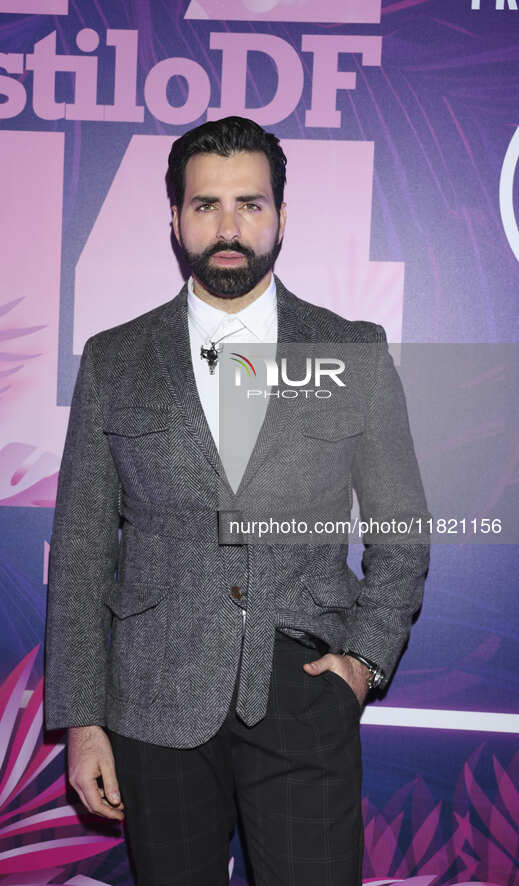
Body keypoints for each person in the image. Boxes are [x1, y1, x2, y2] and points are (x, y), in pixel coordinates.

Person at [44, 116, 430, 886]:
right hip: (153, 700)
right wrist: (83, 722)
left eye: (249, 205)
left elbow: (400, 533)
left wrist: (361, 663)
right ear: (175, 220)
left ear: (281, 217)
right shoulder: (115, 359)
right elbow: (84, 549)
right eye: (205, 205)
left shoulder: (352, 351)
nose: (228, 227)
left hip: (304, 691)